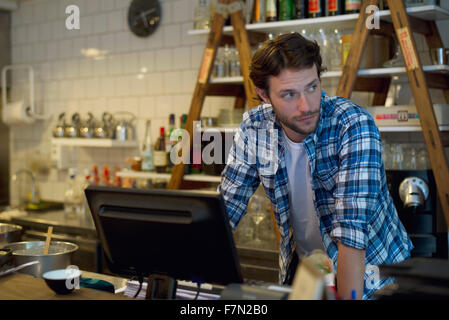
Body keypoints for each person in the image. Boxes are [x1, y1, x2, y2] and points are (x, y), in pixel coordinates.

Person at [218, 32, 413, 300]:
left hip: (378, 279)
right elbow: (226, 209)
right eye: (288, 94)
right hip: (312, 277)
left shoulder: (352, 125)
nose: (306, 105)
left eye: (312, 87)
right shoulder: (255, 127)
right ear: (264, 94)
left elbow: (352, 234)